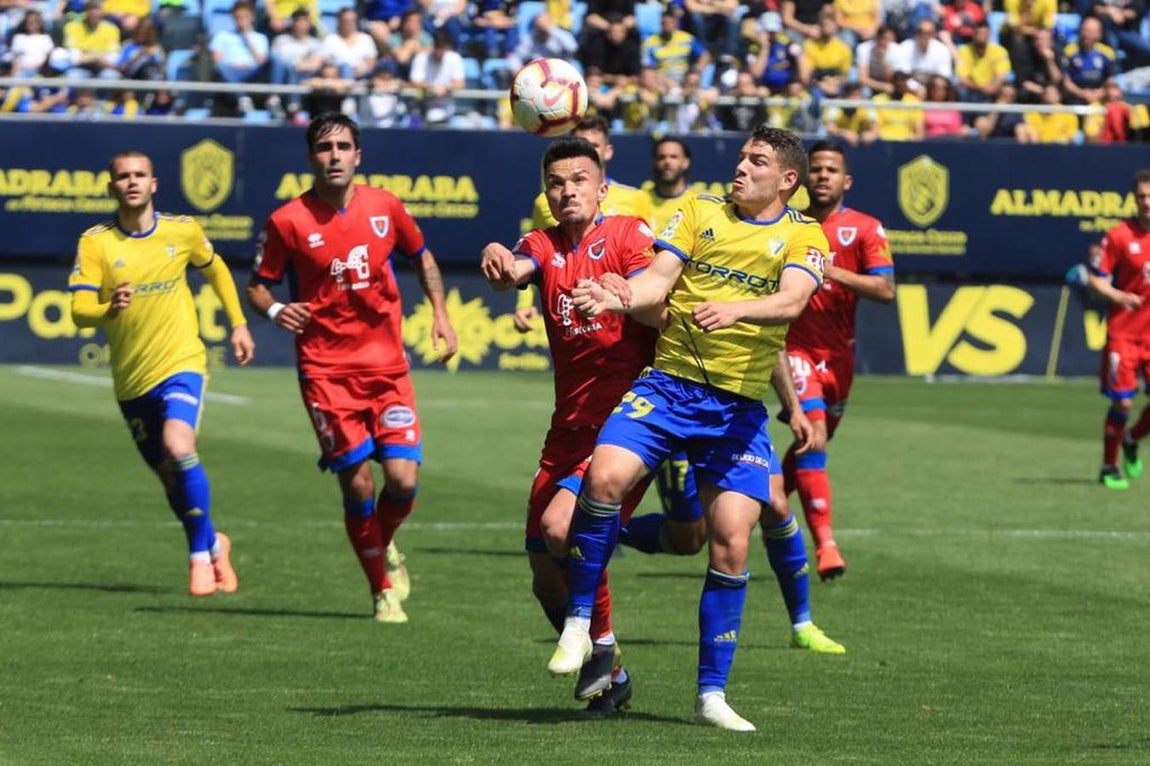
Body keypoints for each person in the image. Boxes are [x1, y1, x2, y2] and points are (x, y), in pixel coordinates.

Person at [554, 125, 829, 732]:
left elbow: (790, 302)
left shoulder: (804, 235)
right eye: (740, 157)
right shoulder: (698, 210)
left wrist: (735, 309)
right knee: (604, 479)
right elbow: (657, 279)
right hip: (669, 385)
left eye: (756, 162)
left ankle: (711, 696)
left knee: (729, 538)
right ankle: (579, 623)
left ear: (787, 179)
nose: (740, 168)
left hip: (735, 411)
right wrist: (623, 295)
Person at [246, 113, 458, 622]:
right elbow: (258, 285)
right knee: (358, 483)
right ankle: (380, 589)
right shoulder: (288, 221)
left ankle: (380, 542)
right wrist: (276, 310)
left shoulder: (385, 205)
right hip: (326, 371)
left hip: (388, 369)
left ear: (358, 155)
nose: (334, 155)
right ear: (311, 157)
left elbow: (422, 256)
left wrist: (442, 314)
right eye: (324, 147)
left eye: (343, 146)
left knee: (403, 482)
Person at [480, 135, 658, 718]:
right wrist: (501, 264)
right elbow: (518, 267)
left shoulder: (630, 236)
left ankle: (601, 645)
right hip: (567, 430)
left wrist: (618, 295)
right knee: (543, 576)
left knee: (562, 529)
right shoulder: (544, 243)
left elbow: (659, 301)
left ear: (602, 186)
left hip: (625, 426)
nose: (567, 191)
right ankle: (615, 679)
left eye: (579, 179)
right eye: (556, 183)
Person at [68, 150, 254, 596]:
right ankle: (214, 543)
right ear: (111, 186)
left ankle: (197, 558)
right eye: (122, 176)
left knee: (178, 444)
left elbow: (218, 271)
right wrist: (107, 307)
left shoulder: (182, 230)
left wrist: (239, 324)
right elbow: (78, 312)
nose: (131, 182)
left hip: (182, 363)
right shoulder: (96, 242)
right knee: (169, 475)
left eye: (140, 175)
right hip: (131, 380)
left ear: (154, 184)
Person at [782, 140, 894, 579]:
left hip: (840, 357)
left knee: (810, 443)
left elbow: (885, 290)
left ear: (845, 181)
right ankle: (827, 546)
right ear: (805, 178)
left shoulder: (865, 228)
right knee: (815, 435)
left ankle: (762, 501)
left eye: (832, 170)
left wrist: (831, 271)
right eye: (817, 169)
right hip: (795, 350)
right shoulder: (789, 226)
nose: (823, 176)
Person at [514, 115, 652, 332]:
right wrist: (524, 303)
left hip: (622, 319)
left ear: (608, 151)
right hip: (572, 317)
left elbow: (651, 269)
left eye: (594, 145)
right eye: (581, 145)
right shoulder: (546, 202)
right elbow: (534, 256)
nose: (587, 151)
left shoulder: (636, 199)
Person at [1085, 169, 1150, 490]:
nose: (1147, 202)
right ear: (1134, 199)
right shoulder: (1120, 235)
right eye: (1141, 196)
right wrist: (1120, 296)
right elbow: (1096, 278)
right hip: (1124, 333)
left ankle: (1131, 439)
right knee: (1123, 403)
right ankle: (1108, 466)